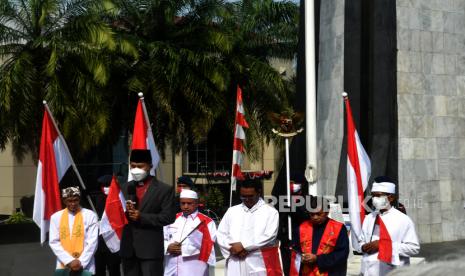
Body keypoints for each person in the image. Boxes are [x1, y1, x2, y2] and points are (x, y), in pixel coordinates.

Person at [120, 149, 177, 276]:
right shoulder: (124, 188)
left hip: (150, 250)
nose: (136, 169)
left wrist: (142, 217)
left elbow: (168, 217)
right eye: (133, 166)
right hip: (128, 249)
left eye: (140, 166)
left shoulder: (164, 189)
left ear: (150, 166)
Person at [217, 179, 282, 275]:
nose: (247, 199)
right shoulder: (232, 211)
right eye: (243, 196)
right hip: (234, 259)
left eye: (250, 196)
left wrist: (245, 246)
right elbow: (221, 233)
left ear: (259, 192)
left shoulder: (270, 212)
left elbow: (270, 236)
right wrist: (231, 248)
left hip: (258, 261)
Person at [359, 177, 420, 276]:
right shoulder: (369, 218)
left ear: (390, 198)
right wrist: (363, 246)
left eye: (378, 196)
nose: (374, 199)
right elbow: (361, 240)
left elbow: (413, 248)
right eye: (373, 196)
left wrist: (383, 245)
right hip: (368, 271)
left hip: (393, 272)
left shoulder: (403, 220)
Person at [291, 196, 349, 276]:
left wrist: (317, 259)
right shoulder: (301, 228)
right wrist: (302, 257)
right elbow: (295, 251)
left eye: (318, 214)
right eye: (312, 214)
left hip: (329, 272)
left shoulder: (338, 228)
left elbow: (342, 254)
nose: (315, 217)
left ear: (327, 212)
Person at [163, 190, 216, 276]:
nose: (186, 206)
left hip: (193, 268)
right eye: (183, 203)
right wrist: (168, 247)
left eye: (189, 203)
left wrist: (183, 249)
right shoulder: (172, 219)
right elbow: (162, 238)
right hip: (171, 266)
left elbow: (208, 246)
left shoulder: (206, 222)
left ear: (196, 203)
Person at [49, 186, 99, 275]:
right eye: (69, 201)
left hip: (85, 264)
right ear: (64, 201)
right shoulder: (56, 217)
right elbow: (54, 242)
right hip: (64, 264)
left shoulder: (90, 215)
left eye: (75, 200)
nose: (73, 204)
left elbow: (92, 242)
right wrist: (69, 261)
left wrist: (80, 263)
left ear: (79, 199)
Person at [94, 175, 121, 276]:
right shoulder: (96, 199)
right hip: (99, 241)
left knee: (114, 269)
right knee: (99, 270)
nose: (106, 188)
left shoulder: (119, 199)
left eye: (108, 185)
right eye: (103, 185)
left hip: (113, 240)